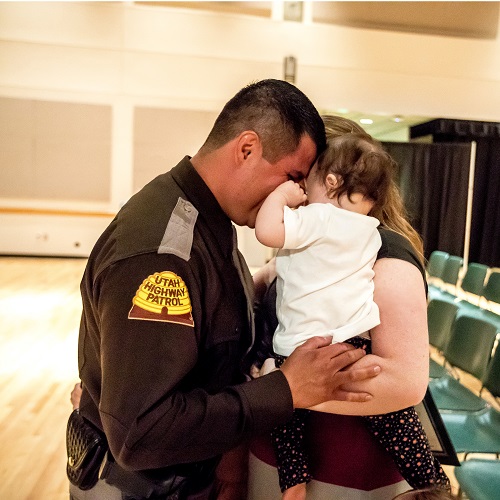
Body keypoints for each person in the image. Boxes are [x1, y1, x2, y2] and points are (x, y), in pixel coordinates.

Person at [68, 80, 382, 500]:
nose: (298, 198)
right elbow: (141, 434)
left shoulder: (207, 220)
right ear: (247, 148)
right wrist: (286, 389)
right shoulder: (164, 254)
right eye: (291, 178)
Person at [247, 115, 449, 499]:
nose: (297, 186)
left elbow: (404, 382)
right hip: (277, 458)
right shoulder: (311, 239)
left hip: (347, 476)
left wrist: (285, 386)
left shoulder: (384, 252)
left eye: (302, 175)